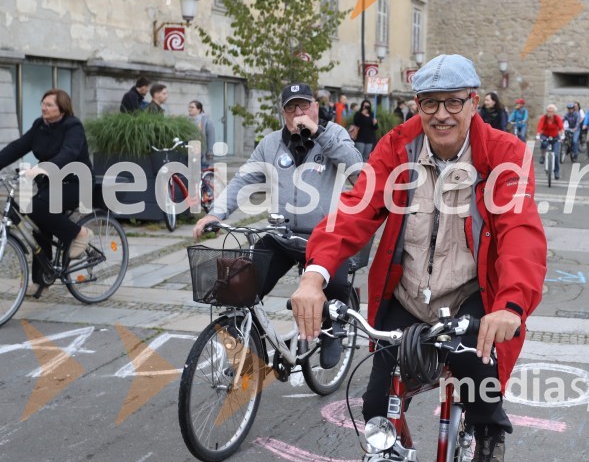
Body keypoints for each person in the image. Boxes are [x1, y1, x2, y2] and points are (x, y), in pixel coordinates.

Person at [289, 54, 546, 462]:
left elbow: (520, 233)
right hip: (407, 296)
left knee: (479, 383)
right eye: (430, 102)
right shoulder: (398, 147)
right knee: (377, 410)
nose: (441, 114)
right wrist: (314, 276)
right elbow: (354, 210)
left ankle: (489, 439)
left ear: (473, 103)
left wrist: (511, 306)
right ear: (418, 104)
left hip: (469, 296)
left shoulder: (504, 153)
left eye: (453, 102)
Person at [193, 82, 363, 367]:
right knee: (245, 285)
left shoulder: (334, 134)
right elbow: (242, 181)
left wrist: (320, 135)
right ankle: (253, 336)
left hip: (326, 236)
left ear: (316, 107)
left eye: (304, 105)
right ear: (283, 113)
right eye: (291, 107)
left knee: (336, 283)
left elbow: (358, 171)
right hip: (282, 235)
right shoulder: (271, 144)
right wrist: (216, 214)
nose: (299, 112)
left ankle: (333, 330)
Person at [0, 90, 94, 292]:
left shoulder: (73, 126)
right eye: (43, 103)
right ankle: (42, 279)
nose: (44, 107)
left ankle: (80, 233)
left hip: (76, 182)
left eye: (50, 104)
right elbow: (17, 147)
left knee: (37, 207)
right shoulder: (40, 126)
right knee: (38, 223)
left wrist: (42, 168)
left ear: (62, 107)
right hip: (51, 183)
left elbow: (69, 152)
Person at [536, 104, 564, 179]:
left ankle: (556, 171)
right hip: (545, 135)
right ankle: (542, 156)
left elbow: (561, 127)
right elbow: (539, 126)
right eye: (548, 111)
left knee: (556, 155)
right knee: (544, 143)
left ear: (554, 112)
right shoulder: (544, 118)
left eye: (551, 111)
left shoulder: (557, 118)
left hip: (555, 136)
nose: (549, 113)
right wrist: (538, 135)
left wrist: (562, 135)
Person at [187, 100, 216, 168]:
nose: (190, 109)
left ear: (199, 109)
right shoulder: (186, 120)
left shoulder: (206, 121)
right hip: (189, 153)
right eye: (189, 107)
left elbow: (211, 137)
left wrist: (210, 152)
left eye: (192, 107)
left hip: (202, 153)